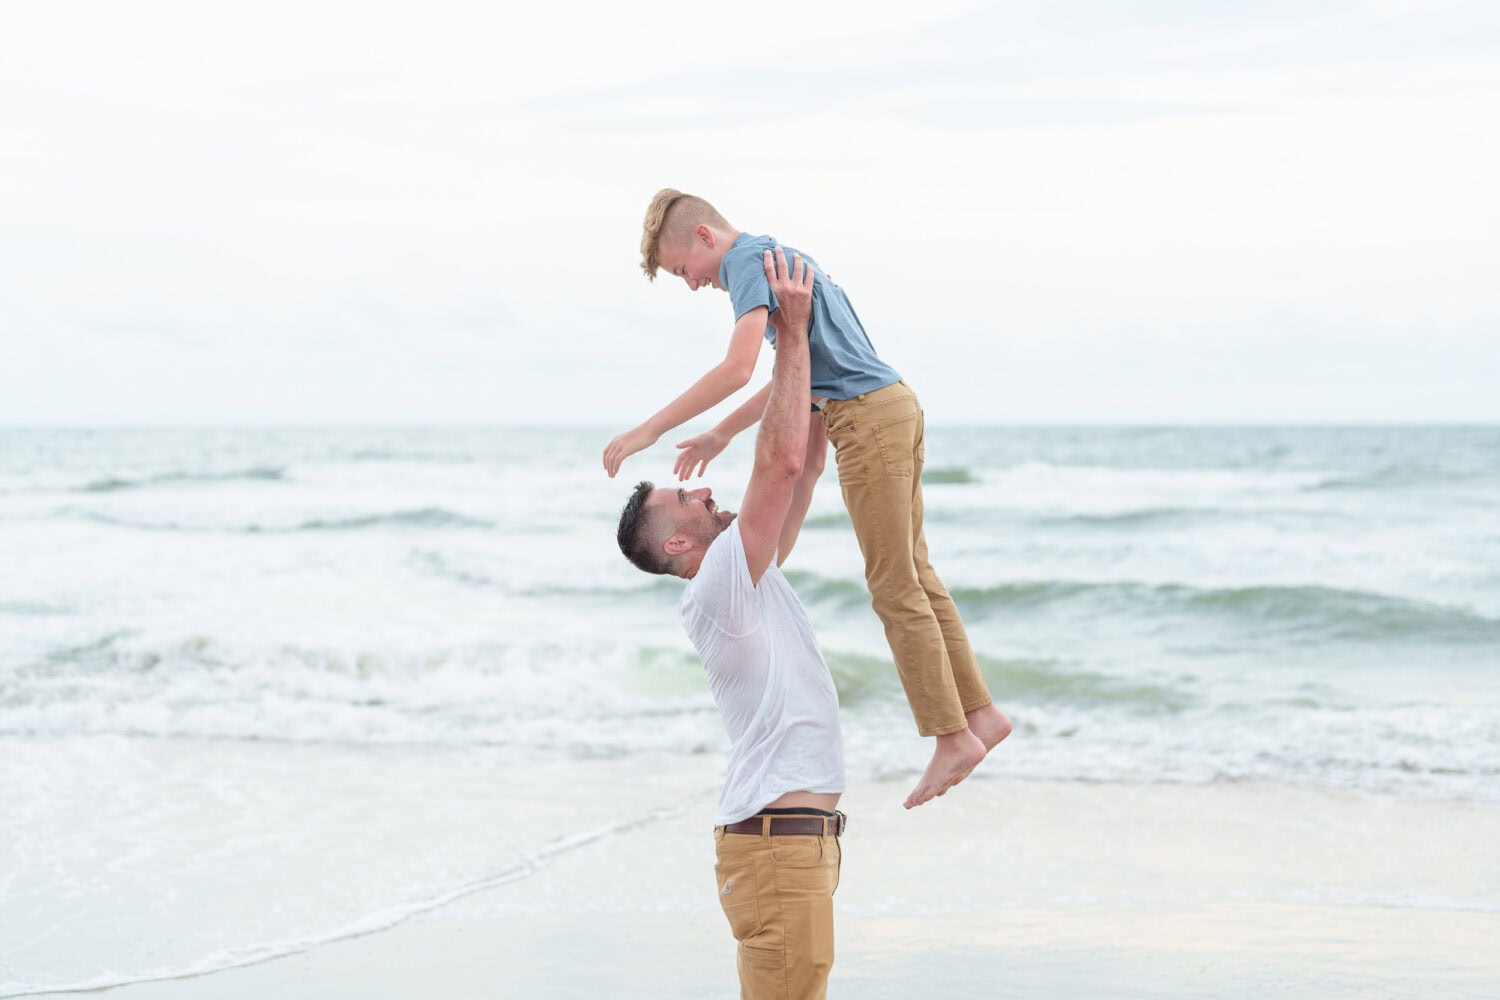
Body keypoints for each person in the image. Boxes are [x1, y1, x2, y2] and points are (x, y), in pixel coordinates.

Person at [604, 189, 1011, 808]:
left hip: (867, 421)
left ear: (705, 239)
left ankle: (952, 735)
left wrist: (647, 431)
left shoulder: (745, 265)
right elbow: (797, 377)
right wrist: (723, 432)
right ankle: (979, 716)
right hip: (891, 407)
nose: (691, 285)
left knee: (893, 586)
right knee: (916, 576)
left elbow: (740, 368)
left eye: (684, 270)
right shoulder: (777, 256)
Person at [616, 248, 843, 999]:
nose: (704, 489)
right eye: (687, 502)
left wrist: (808, 354)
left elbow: (801, 466)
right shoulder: (716, 583)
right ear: (679, 545)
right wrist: (798, 332)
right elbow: (775, 466)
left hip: (788, 845)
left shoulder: (747, 577)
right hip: (777, 846)